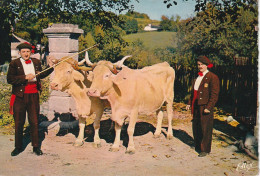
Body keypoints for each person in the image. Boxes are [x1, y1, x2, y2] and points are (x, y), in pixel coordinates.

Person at [7, 42, 56, 156]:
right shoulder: (14, 63)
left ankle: (36, 147)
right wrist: (24, 77)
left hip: (33, 95)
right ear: (19, 53)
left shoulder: (36, 62)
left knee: (34, 122)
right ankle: (18, 147)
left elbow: (42, 74)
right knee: (19, 122)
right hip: (19, 96)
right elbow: (10, 79)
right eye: (23, 52)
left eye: (28, 51)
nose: (26, 54)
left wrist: (51, 66)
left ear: (31, 52)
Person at [186, 56, 220, 157]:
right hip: (196, 105)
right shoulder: (198, 77)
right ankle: (197, 145)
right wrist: (189, 103)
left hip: (205, 105)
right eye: (199, 65)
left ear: (207, 65)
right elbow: (193, 92)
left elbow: (214, 95)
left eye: (202, 65)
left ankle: (205, 149)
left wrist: (208, 107)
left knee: (205, 128)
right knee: (196, 126)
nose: (200, 66)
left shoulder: (212, 77)